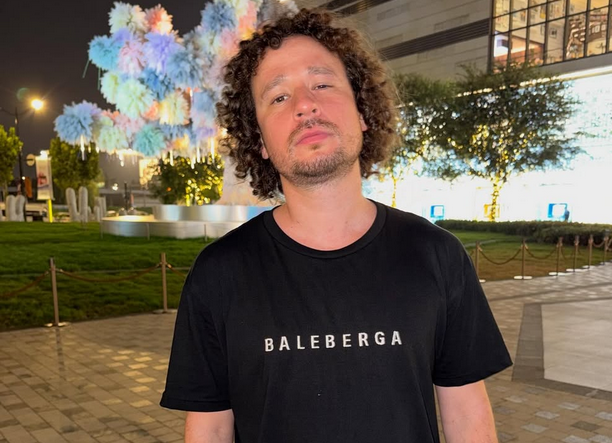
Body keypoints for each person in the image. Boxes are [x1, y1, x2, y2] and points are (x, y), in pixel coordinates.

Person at [160, 8, 512, 443]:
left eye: (322, 84)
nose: (304, 104)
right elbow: (210, 429)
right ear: (261, 141)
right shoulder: (218, 273)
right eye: (278, 97)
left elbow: (466, 413)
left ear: (362, 112)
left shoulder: (437, 254)